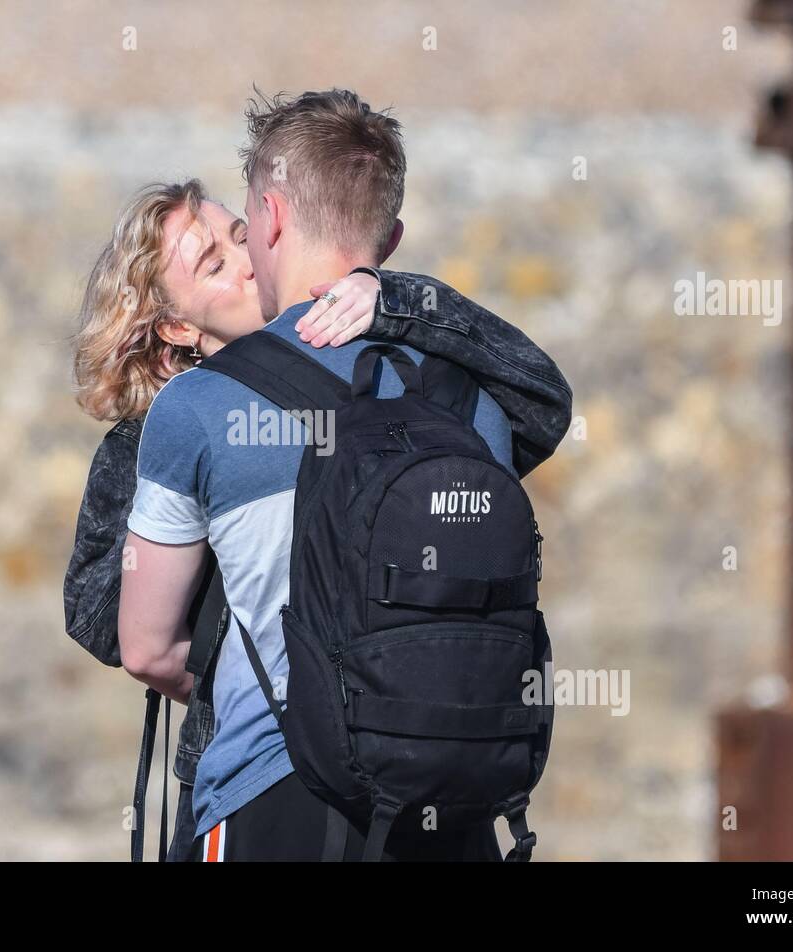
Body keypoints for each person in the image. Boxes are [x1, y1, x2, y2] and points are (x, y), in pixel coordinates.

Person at [114, 88, 568, 860]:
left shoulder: (198, 406)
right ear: (390, 238)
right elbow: (547, 398)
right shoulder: (478, 398)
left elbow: (146, 648)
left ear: (271, 218)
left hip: (275, 797)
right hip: (455, 806)